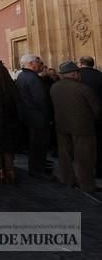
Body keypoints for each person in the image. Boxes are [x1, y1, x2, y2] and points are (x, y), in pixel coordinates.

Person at [50, 61, 101, 194]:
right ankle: (87, 185)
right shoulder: (83, 88)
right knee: (85, 158)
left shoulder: (54, 87)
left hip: (62, 126)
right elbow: (97, 109)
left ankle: (68, 180)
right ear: (75, 74)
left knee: (65, 156)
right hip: (83, 128)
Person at [16, 54, 54, 179]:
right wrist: (49, 117)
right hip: (38, 117)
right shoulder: (33, 78)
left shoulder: (21, 76)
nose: (40, 65)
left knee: (34, 145)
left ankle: (35, 168)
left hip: (28, 116)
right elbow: (41, 100)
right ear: (32, 63)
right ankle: (38, 170)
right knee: (39, 145)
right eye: (39, 62)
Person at [78, 56, 102, 176]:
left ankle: (86, 171)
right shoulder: (99, 75)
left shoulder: (77, 77)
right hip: (99, 114)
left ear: (81, 63)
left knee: (83, 144)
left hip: (82, 115)